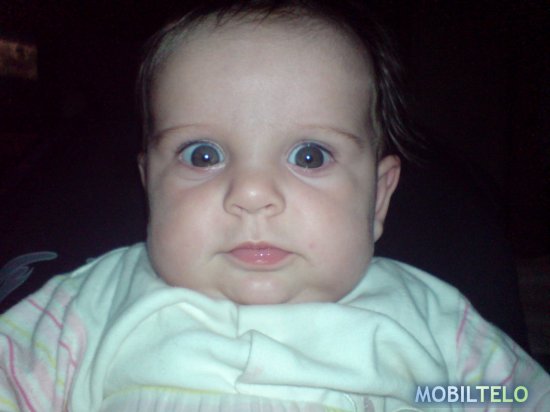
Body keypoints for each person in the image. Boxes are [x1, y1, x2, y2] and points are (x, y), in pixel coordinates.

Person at [0, 1, 548, 410]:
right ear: (150, 187)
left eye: (310, 156)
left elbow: (515, 395)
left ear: (379, 198)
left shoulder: (429, 318)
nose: (252, 193)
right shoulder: (95, 301)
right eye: (203, 154)